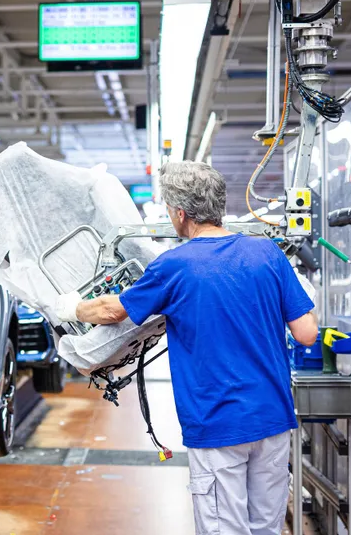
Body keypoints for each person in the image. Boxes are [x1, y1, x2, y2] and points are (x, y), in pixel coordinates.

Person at [54, 162, 318, 535]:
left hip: (217, 425)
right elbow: (307, 333)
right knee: (266, 528)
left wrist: (70, 308)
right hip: (272, 418)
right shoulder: (268, 254)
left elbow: (113, 310)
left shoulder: (173, 266)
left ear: (180, 214)